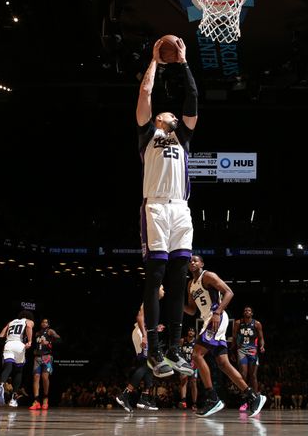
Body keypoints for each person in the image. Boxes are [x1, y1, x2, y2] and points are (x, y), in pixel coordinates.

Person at [136, 36, 199, 378]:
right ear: (159, 118)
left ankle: (175, 349)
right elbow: (146, 95)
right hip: (156, 208)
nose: (172, 113)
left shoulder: (184, 138)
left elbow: (192, 98)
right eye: (167, 112)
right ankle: (154, 349)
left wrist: (184, 61)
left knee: (178, 280)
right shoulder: (147, 135)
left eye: (174, 113)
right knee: (156, 275)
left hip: (181, 210)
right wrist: (156, 61)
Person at [184, 254, 267, 417]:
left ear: (202, 263)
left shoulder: (208, 276)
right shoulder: (190, 285)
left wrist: (217, 311)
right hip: (208, 319)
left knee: (196, 354)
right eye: (190, 261)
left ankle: (212, 397)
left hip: (216, 317)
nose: (192, 262)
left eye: (195, 260)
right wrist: (178, 305)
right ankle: (253, 397)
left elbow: (229, 292)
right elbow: (192, 310)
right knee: (223, 364)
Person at [116, 286, 166, 412]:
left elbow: (145, 321)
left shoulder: (153, 302)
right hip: (141, 333)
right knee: (146, 365)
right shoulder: (150, 300)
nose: (164, 291)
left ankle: (144, 398)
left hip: (145, 332)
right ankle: (125, 395)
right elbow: (139, 317)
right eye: (162, 288)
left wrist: (155, 329)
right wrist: (144, 335)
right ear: (157, 290)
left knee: (149, 365)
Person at [0, 310, 34, 407]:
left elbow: (1, 334)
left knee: (7, 367)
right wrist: (30, 341)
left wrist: (4, 343)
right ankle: (13, 398)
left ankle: (1, 384)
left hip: (8, 344)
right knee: (18, 371)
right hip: (19, 345)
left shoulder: (11, 322)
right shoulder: (28, 321)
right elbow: (29, 327)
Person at [232, 306, 265, 411]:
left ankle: (255, 399)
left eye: (249, 310)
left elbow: (261, 338)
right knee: (243, 375)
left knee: (253, 376)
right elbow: (234, 337)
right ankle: (244, 401)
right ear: (243, 312)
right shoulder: (238, 323)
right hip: (241, 350)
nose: (247, 311)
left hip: (253, 350)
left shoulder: (257, 324)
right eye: (245, 310)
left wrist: (262, 346)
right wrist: (232, 350)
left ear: (252, 313)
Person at [29, 318, 61, 410]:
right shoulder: (37, 333)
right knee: (35, 378)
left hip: (47, 357)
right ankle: (36, 401)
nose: (44, 323)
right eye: (42, 321)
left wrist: (49, 342)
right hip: (37, 358)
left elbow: (59, 340)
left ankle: (45, 399)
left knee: (45, 377)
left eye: (46, 322)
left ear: (48, 324)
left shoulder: (50, 331)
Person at [177, 327, 198, 410]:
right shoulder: (182, 341)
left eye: (192, 331)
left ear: (195, 333)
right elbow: (178, 352)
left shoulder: (196, 342)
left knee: (193, 382)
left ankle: (194, 404)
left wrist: (195, 363)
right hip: (184, 364)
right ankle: (183, 401)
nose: (191, 332)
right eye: (189, 331)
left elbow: (199, 354)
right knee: (183, 381)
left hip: (193, 364)